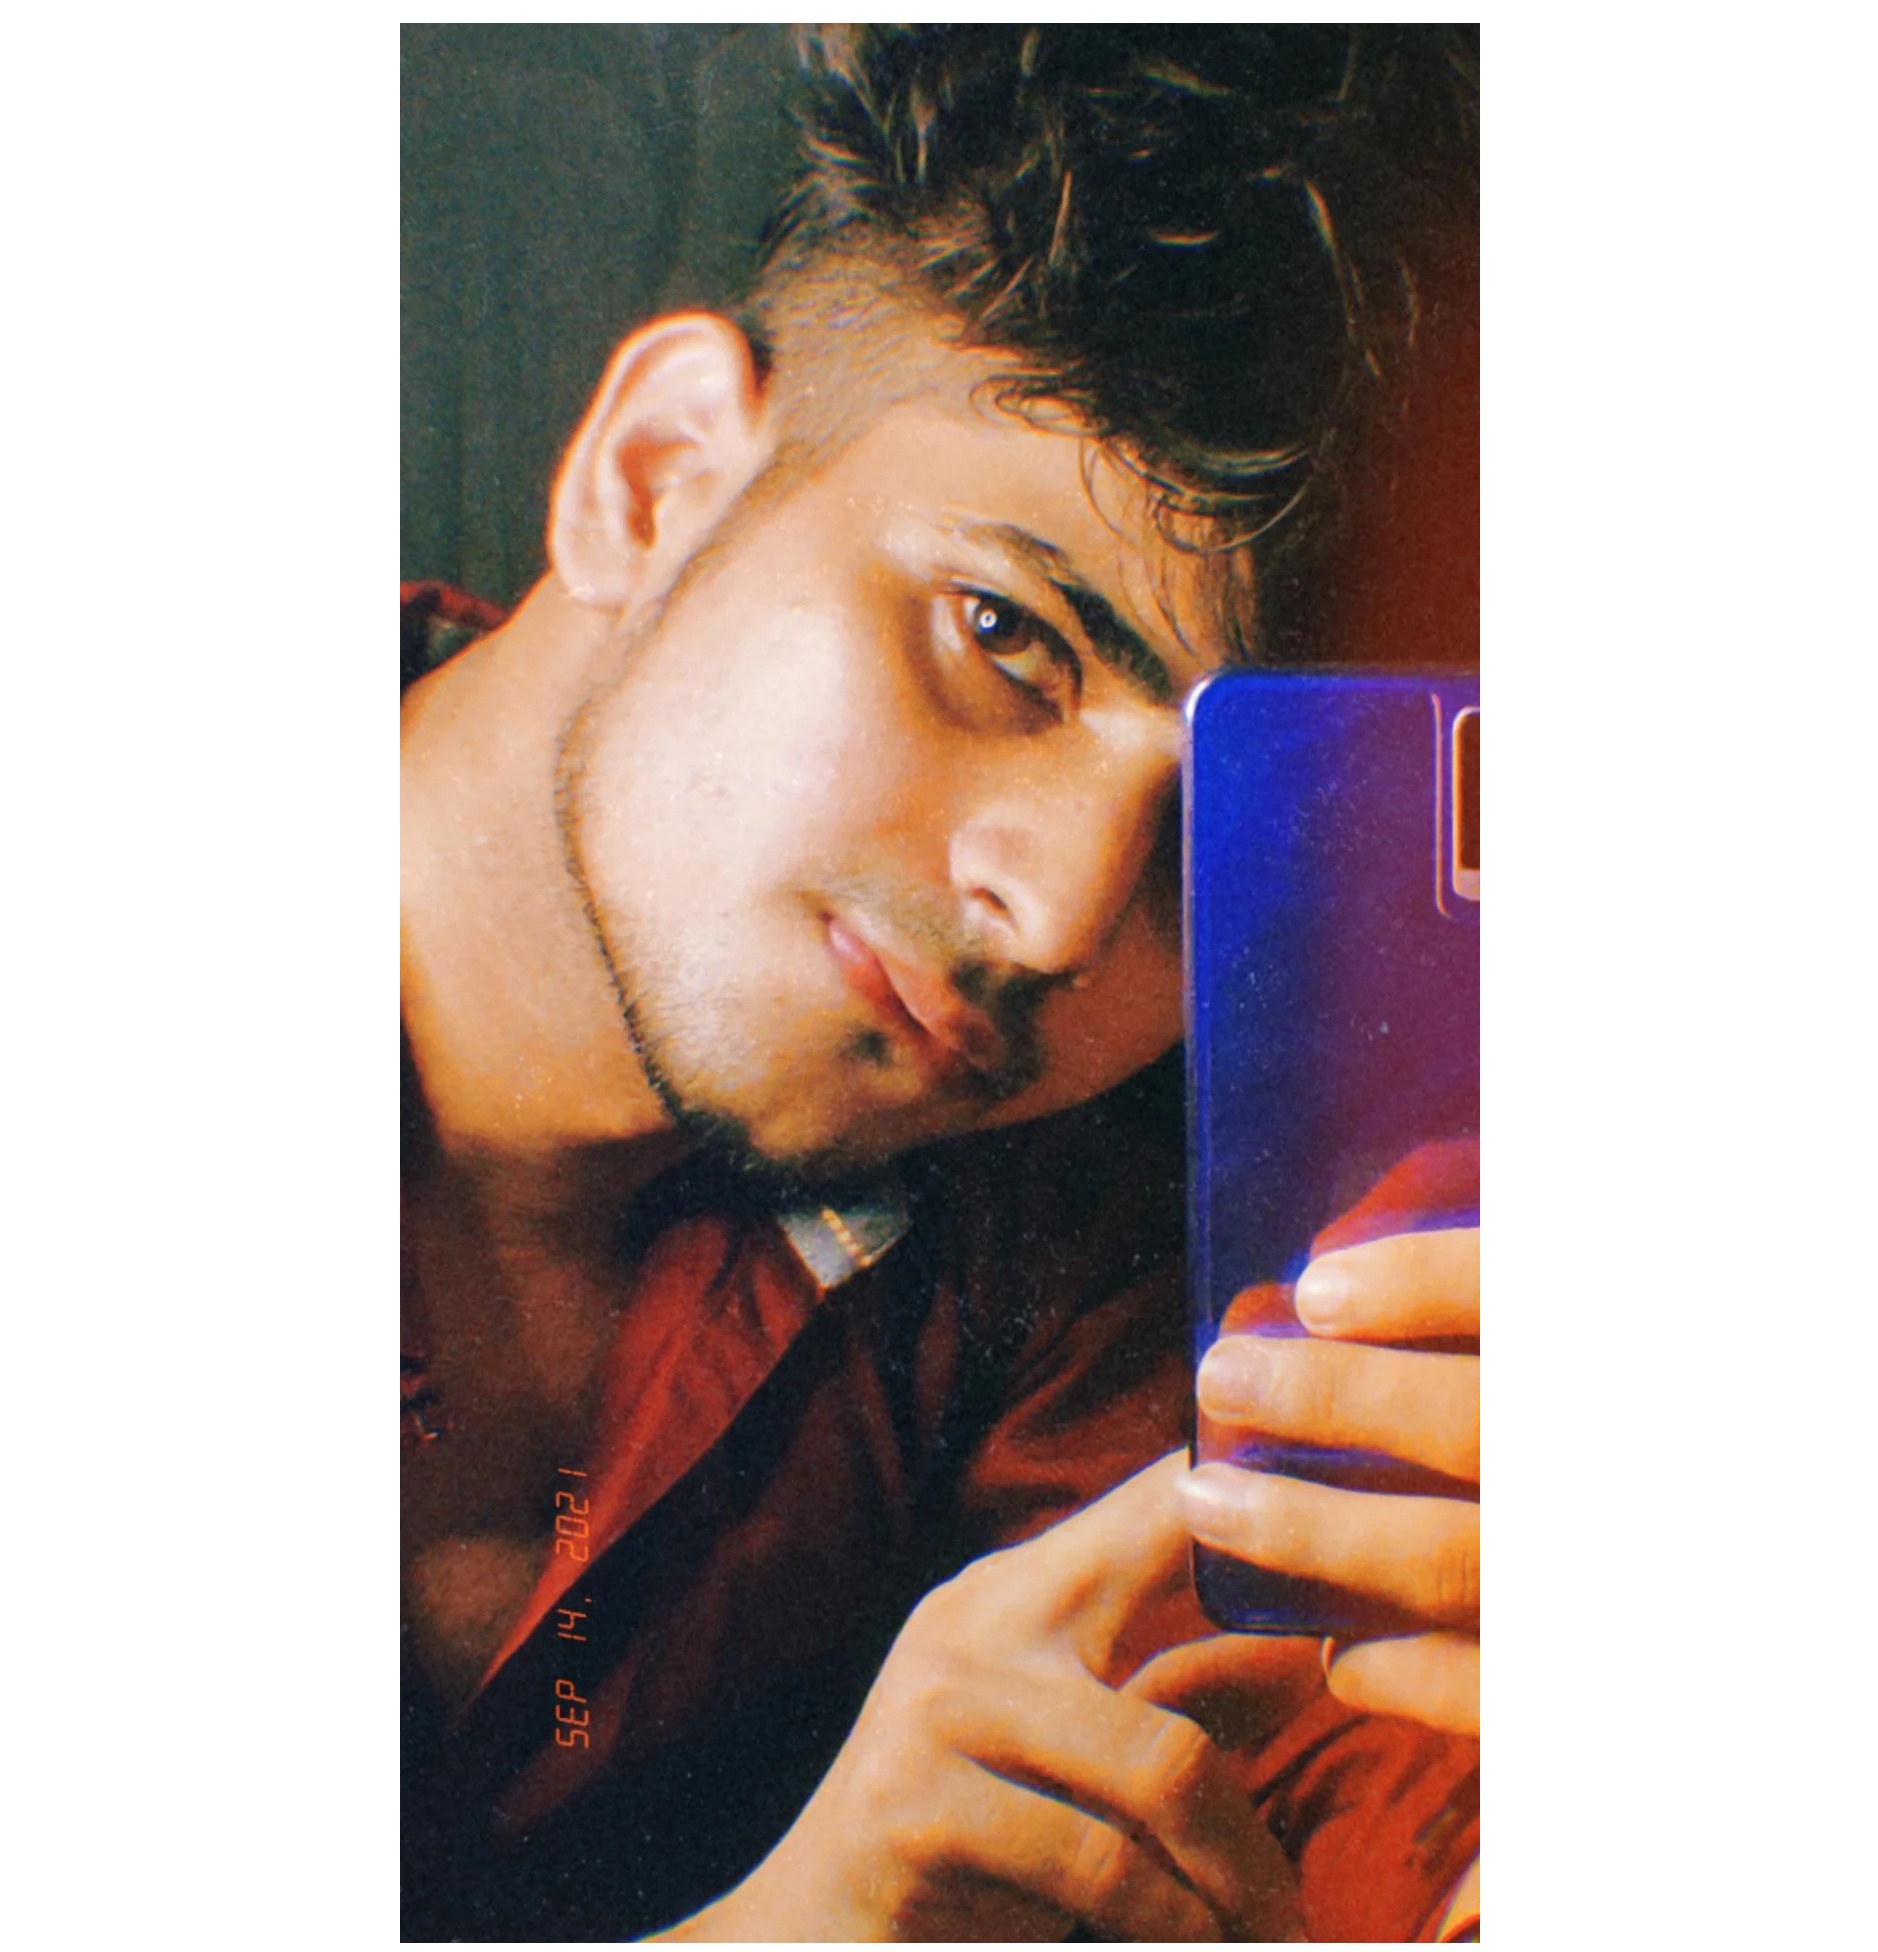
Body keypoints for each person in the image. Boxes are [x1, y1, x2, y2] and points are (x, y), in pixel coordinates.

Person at [402, 25, 1480, 1941]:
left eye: (1215, 830)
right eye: (1004, 636)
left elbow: (1350, 1793)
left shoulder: (1067, 1226)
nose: (1060, 917)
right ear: (656, 480)